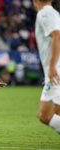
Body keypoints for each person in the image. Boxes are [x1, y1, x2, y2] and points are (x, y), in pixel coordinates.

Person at [34, 0, 60, 133]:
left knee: (44, 115)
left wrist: (52, 67)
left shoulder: (44, 14)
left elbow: (57, 36)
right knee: (58, 113)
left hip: (57, 73)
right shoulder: (54, 13)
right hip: (57, 71)